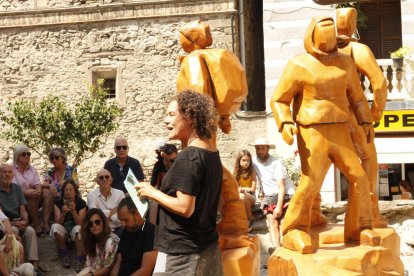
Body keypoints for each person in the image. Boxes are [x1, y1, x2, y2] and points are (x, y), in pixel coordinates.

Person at [270, 16, 380, 253]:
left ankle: (359, 228)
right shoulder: (298, 64)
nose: (329, 44)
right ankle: (294, 229)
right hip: (313, 130)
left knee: (359, 177)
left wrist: (365, 120)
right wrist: (285, 122)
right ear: (312, 37)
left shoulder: (345, 63)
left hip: (341, 128)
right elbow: (279, 99)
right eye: (324, 39)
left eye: (333, 40)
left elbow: (357, 97)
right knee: (311, 181)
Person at [136, 91, 223, 275]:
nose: (165, 121)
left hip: (182, 254)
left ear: (190, 117)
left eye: (171, 114)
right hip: (205, 246)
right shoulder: (211, 153)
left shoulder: (189, 156)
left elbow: (185, 207)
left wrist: (152, 192)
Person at [251, 138, 294, 250]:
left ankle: (285, 250)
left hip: (286, 193)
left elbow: (282, 187)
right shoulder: (254, 161)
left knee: (283, 222)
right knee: (271, 219)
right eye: (258, 148)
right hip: (270, 195)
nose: (260, 151)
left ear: (268, 149)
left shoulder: (276, 163)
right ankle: (277, 250)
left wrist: (279, 207)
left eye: (262, 148)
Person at [0, 164, 39, 270]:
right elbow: (1, 217)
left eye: (9, 172)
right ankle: (19, 266)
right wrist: (14, 224)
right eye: (4, 172)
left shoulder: (17, 188)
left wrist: (25, 221)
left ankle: (33, 265)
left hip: (19, 221)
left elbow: (23, 209)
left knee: (30, 231)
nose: (7, 174)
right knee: (14, 230)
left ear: (13, 175)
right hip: (6, 225)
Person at [110, 197, 157, 276]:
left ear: (137, 215)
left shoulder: (151, 232)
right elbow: (119, 262)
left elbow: (146, 270)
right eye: (120, 220)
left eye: (126, 220)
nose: (122, 224)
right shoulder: (126, 231)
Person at [12, 144, 53, 235]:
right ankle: (36, 224)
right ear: (17, 156)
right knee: (30, 194)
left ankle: (45, 222)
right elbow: (13, 187)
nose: (27, 156)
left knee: (47, 192)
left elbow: (37, 183)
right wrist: (26, 192)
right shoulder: (12, 169)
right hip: (19, 200)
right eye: (24, 154)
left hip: (34, 198)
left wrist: (38, 191)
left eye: (28, 154)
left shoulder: (32, 169)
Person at [50, 179, 86, 271]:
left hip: (75, 229)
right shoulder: (58, 203)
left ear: (75, 192)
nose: (68, 192)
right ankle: (65, 253)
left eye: (70, 190)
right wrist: (63, 213)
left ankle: (79, 258)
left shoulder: (81, 203)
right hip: (64, 230)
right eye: (65, 190)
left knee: (78, 228)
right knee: (54, 227)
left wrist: (74, 210)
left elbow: (80, 223)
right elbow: (57, 222)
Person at [80, 208, 120, 276]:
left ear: (103, 222)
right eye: (90, 224)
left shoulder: (110, 241)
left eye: (97, 222)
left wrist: (91, 275)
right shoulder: (92, 240)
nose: (94, 225)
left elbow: (107, 269)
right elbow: (88, 264)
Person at [87, 169, 125, 236]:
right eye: (101, 177)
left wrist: (102, 214)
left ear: (111, 180)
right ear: (97, 182)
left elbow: (122, 218)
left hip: (119, 229)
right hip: (100, 230)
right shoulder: (91, 195)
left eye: (107, 177)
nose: (104, 179)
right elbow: (94, 214)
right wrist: (113, 212)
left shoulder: (120, 194)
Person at [233, 149, 257, 224]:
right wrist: (239, 190)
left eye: (248, 160)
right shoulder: (236, 172)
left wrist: (242, 189)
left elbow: (253, 189)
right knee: (241, 196)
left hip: (251, 196)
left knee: (242, 196)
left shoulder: (252, 171)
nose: (246, 162)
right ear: (239, 160)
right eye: (244, 160)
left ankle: (249, 220)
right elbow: (234, 187)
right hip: (240, 195)